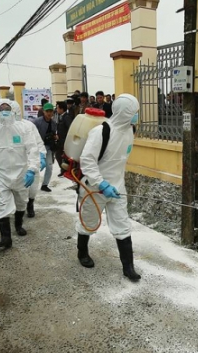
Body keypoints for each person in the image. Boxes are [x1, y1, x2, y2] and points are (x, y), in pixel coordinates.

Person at [75, 93, 141, 282]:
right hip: (94, 187)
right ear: (124, 112)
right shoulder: (101, 131)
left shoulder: (130, 130)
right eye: (134, 112)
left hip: (117, 187)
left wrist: (113, 184)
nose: (137, 115)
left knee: (122, 224)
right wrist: (101, 183)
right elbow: (87, 161)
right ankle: (82, 253)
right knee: (88, 222)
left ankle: (128, 267)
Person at [0, 99, 39, 251]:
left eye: (7, 107)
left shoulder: (23, 128)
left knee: (21, 202)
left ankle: (18, 225)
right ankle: (6, 239)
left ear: (12, 110)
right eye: (1, 108)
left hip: (21, 173)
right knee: (2, 205)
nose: (4, 110)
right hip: (0, 174)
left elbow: (32, 149)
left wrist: (32, 169)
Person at [10, 101, 46, 218]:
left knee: (32, 186)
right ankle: (17, 210)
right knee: (14, 188)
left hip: (30, 160)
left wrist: (41, 155)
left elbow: (38, 142)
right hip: (13, 163)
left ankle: (30, 204)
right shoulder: (2, 128)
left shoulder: (28, 125)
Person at [31, 103, 57, 192]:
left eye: (51, 111)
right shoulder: (36, 122)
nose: (49, 113)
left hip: (48, 147)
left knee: (49, 166)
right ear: (43, 112)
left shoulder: (53, 123)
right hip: (36, 147)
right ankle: (31, 185)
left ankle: (45, 184)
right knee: (34, 166)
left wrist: (55, 136)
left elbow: (54, 133)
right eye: (47, 111)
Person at [55, 101, 74, 175]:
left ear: (61, 109)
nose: (57, 110)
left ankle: (66, 170)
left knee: (60, 155)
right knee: (59, 155)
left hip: (65, 140)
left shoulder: (66, 117)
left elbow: (70, 128)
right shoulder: (61, 116)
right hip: (60, 140)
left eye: (57, 108)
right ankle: (64, 170)